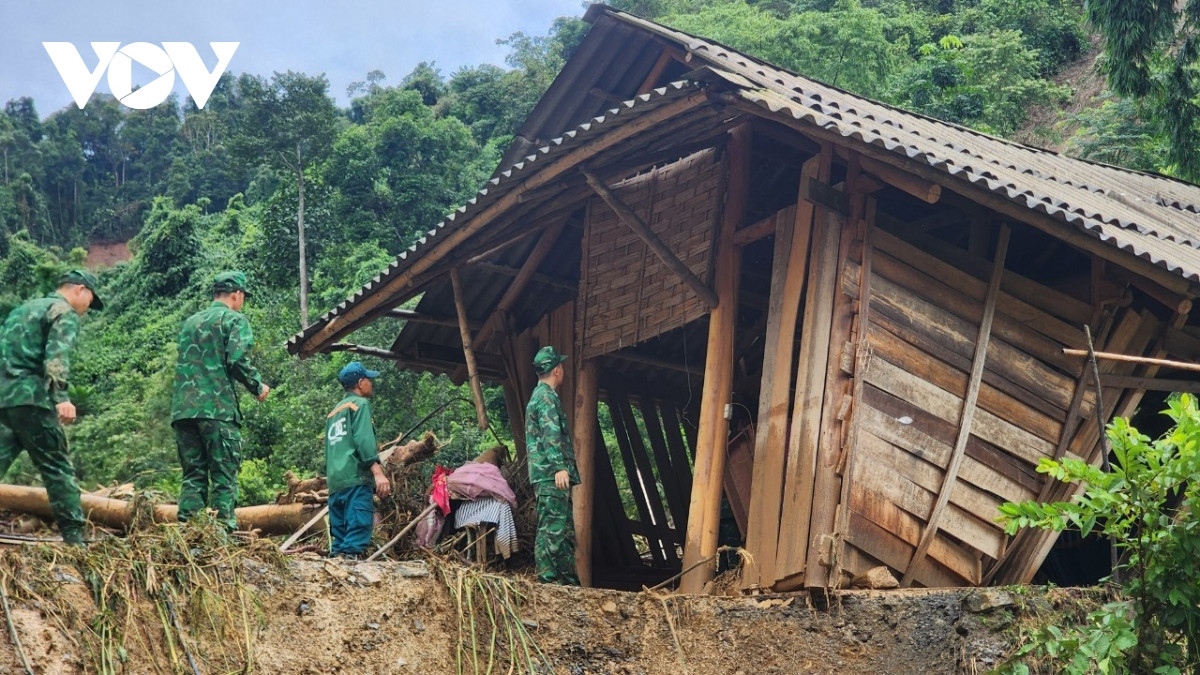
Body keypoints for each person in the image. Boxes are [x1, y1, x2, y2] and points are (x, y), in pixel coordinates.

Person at [0, 269, 103, 545]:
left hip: (4, 400)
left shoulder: (22, 310)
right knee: (57, 467)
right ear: (80, 289)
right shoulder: (63, 312)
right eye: (91, 299)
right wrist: (61, 398)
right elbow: (56, 356)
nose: (88, 308)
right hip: (33, 400)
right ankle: (75, 540)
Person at [170, 271, 269, 531]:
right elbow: (237, 360)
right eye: (243, 297)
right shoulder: (233, 319)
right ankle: (222, 536)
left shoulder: (190, 322)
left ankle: (187, 535)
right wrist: (257, 385)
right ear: (236, 295)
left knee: (193, 475)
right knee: (224, 476)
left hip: (184, 411)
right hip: (218, 411)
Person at [524, 345, 580, 585]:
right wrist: (559, 467)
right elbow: (551, 434)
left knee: (564, 527)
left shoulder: (539, 396)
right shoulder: (546, 398)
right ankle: (548, 579)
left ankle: (567, 579)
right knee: (552, 527)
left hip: (546, 474)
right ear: (557, 370)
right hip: (550, 474)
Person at [324, 361, 391, 558]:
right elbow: (363, 440)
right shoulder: (359, 405)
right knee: (357, 527)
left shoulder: (333, 412)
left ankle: (337, 562)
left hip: (336, 480)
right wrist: (378, 474)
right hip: (355, 477)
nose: (371, 383)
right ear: (360, 383)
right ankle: (349, 563)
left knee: (340, 533)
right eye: (369, 379)